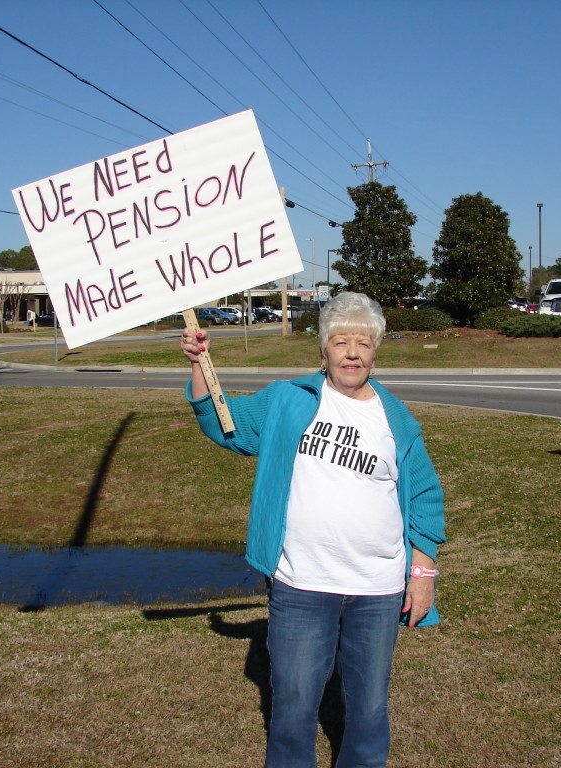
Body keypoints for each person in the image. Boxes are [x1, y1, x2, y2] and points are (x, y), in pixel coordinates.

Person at [180, 292, 446, 768]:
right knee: (294, 709)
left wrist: (422, 575)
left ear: (375, 350)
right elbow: (228, 425)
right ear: (323, 350)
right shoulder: (289, 400)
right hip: (302, 583)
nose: (352, 353)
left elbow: (425, 498)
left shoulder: (396, 418)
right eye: (340, 341)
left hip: (377, 590)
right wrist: (201, 364)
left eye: (363, 343)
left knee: (367, 710)